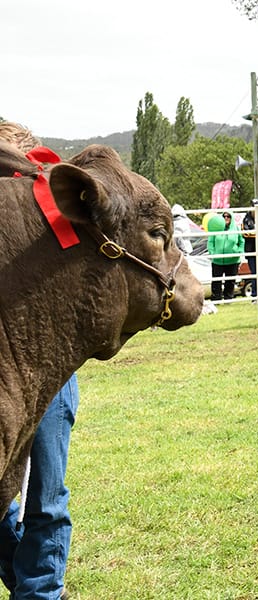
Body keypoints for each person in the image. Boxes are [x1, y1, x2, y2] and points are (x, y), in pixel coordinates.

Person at [0, 120, 76, 600]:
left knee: (46, 492)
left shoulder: (60, 215)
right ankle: (30, 583)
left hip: (50, 365)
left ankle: (42, 593)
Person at [206, 212, 244, 301]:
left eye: (228, 216)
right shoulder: (216, 228)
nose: (226, 218)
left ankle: (228, 299)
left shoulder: (236, 229)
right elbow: (210, 241)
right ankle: (216, 299)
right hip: (217, 260)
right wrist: (212, 252)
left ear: (231, 218)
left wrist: (239, 251)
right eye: (224, 216)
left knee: (230, 281)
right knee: (216, 281)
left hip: (233, 260)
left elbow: (241, 241)